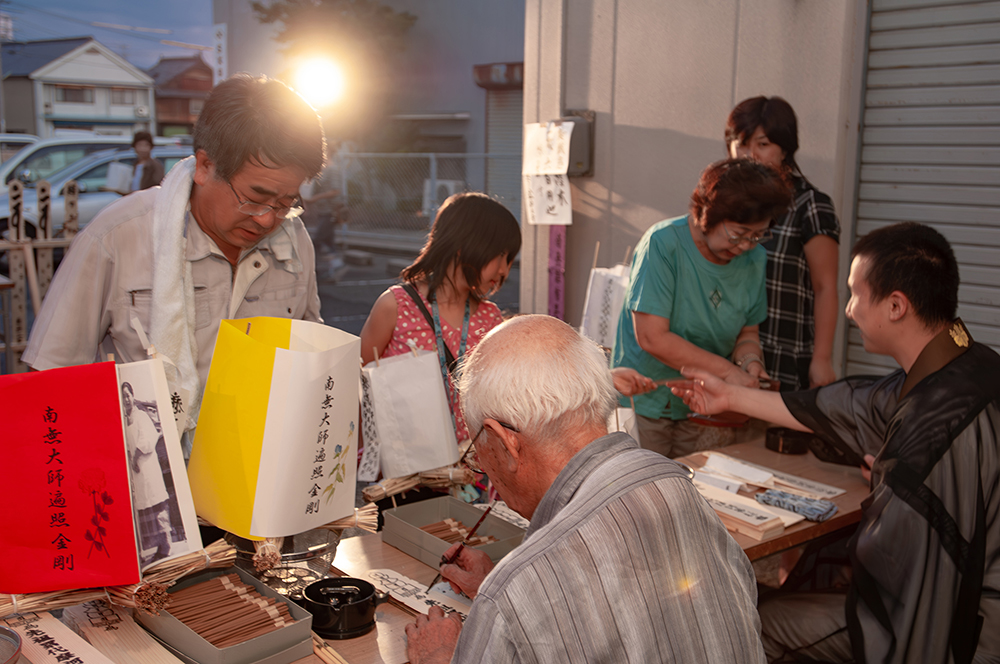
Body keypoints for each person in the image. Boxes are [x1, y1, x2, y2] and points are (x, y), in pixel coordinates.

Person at [669, 222, 1000, 663]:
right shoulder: (971, 364)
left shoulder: (928, 430)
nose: (847, 310)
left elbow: (897, 562)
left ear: (896, 305)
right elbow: (845, 404)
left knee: (754, 620)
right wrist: (729, 395)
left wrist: (891, 480)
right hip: (975, 588)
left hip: (966, 625)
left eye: (856, 294)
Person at [404, 314, 766, 664]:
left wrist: (438, 658)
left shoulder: (515, 589)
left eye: (478, 451)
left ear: (506, 442)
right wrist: (513, 599)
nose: (483, 465)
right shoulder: (680, 490)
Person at [23, 74, 326, 456]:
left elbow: (311, 352)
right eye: (255, 197)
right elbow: (52, 380)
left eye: (285, 203)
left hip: (257, 473)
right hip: (143, 481)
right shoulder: (120, 236)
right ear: (204, 165)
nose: (268, 219)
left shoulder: (294, 239)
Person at [612, 158, 791, 457]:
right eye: (738, 233)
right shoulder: (663, 243)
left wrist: (750, 364)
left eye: (758, 235)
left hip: (707, 403)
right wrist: (727, 372)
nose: (747, 245)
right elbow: (652, 337)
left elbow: (747, 332)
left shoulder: (755, 259)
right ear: (707, 212)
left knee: (698, 491)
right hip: (646, 400)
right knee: (645, 493)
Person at [360, 192, 520, 443]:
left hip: (470, 472)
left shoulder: (491, 318)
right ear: (465, 243)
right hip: (405, 472)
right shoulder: (396, 305)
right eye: (501, 256)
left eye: (510, 260)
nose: (504, 270)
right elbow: (359, 380)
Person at [726, 96, 840, 391]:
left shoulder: (810, 205)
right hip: (725, 354)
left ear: (785, 149)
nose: (750, 154)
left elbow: (825, 286)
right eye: (742, 143)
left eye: (763, 144)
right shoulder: (721, 204)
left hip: (784, 352)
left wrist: (822, 358)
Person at [122, 381, 171, 564]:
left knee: (156, 504)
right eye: (123, 396)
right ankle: (151, 549)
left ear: (133, 396)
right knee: (142, 507)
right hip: (134, 472)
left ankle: (165, 546)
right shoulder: (123, 419)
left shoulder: (141, 416)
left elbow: (147, 440)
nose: (126, 399)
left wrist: (135, 458)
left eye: (128, 395)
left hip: (146, 466)